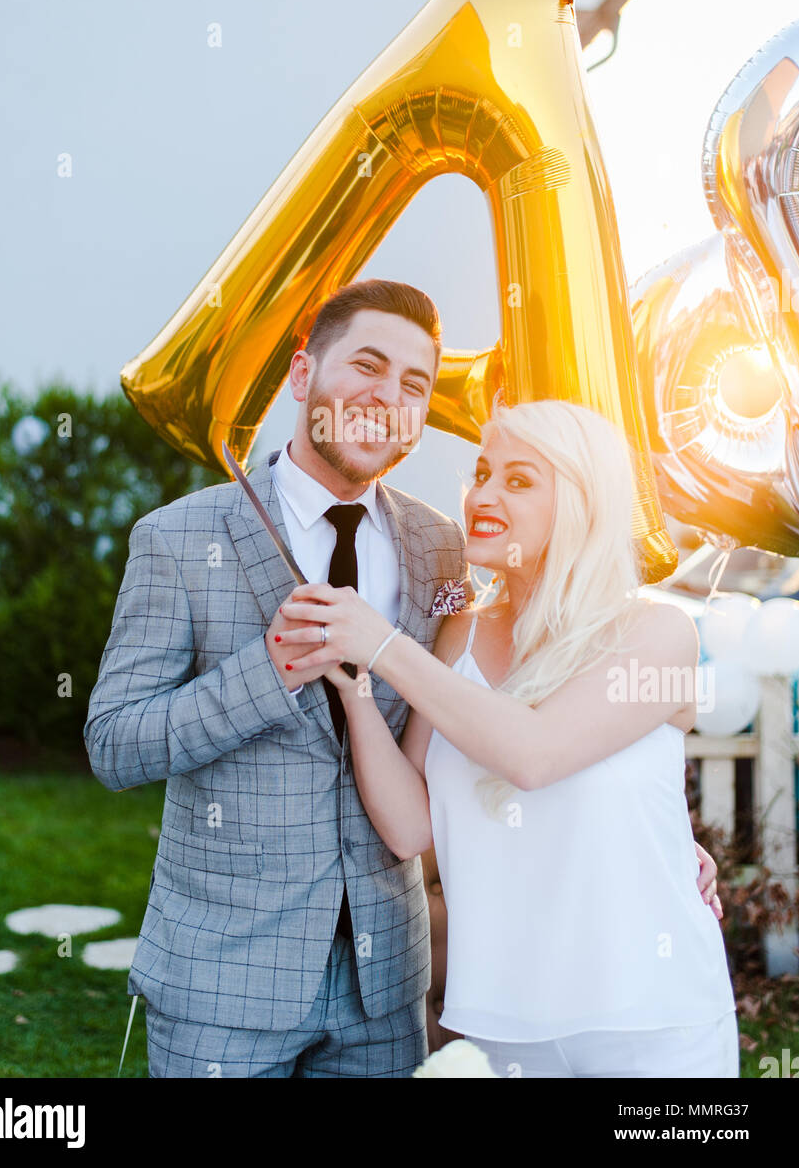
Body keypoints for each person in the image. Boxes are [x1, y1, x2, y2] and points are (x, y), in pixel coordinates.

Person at [85, 278, 721, 1079]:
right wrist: (267, 674)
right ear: (302, 374)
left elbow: (533, 715)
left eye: (414, 384)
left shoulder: (442, 553)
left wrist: (649, 834)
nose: (387, 397)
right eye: (367, 366)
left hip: (383, 991)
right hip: (225, 982)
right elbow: (114, 745)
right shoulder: (178, 539)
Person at [277, 396, 739, 1078]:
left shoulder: (656, 633)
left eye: (519, 480)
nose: (482, 495)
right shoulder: (459, 634)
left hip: (654, 1019)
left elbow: (533, 755)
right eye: (482, 473)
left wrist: (382, 647)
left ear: (582, 504)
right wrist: (357, 689)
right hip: (505, 1024)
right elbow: (410, 827)